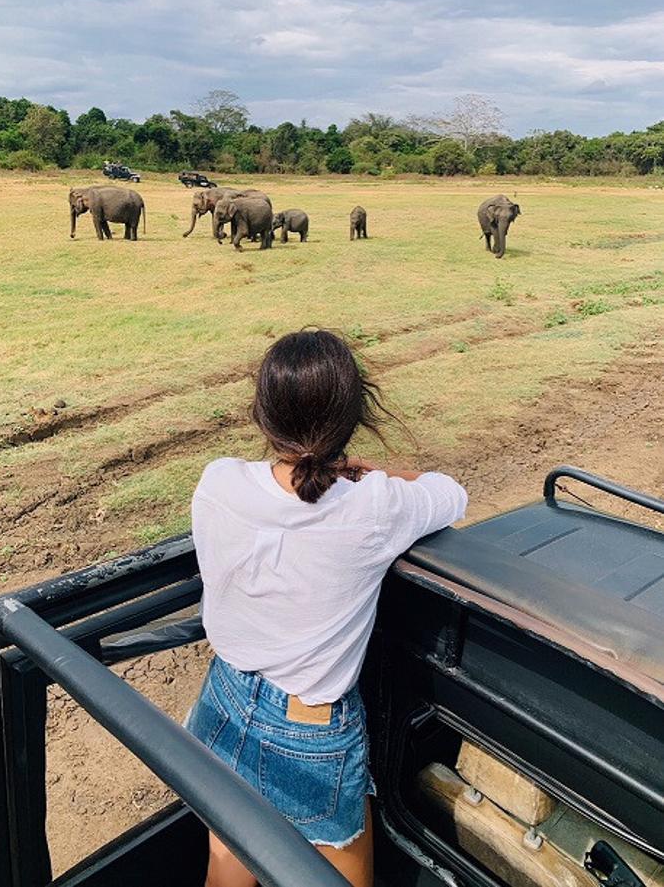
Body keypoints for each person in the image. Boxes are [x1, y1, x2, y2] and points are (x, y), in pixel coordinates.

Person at [187, 329, 467, 887]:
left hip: (223, 694)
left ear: (262, 414)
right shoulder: (374, 507)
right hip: (308, 728)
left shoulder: (217, 481)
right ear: (354, 416)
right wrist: (368, 476)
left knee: (226, 863)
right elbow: (451, 493)